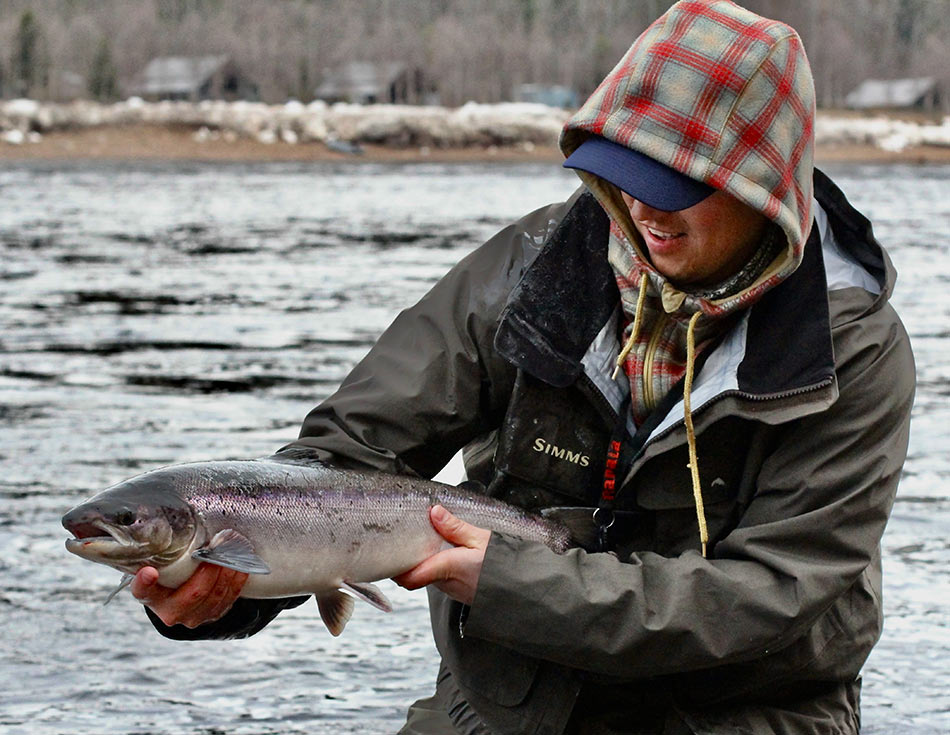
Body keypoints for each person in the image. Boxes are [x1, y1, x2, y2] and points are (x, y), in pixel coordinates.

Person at [131, 1, 915, 732]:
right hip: (510, 699)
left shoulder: (852, 351)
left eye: (678, 186)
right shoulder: (532, 270)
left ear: (765, 190)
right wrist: (224, 583)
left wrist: (508, 583)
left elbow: (769, 593)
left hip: (744, 710)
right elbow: (345, 456)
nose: (643, 210)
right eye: (628, 176)